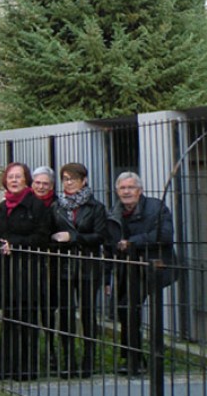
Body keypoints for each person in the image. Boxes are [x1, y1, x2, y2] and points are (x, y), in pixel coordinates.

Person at [109, 171, 175, 376]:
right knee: (125, 309)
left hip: (153, 266)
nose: (126, 192)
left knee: (136, 309)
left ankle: (143, 358)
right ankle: (133, 356)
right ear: (117, 191)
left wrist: (132, 242)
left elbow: (165, 235)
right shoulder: (116, 211)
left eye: (131, 187)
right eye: (122, 188)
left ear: (140, 190)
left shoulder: (156, 207)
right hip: (127, 267)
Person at [0, 162, 53, 380]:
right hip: (8, 269)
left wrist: (15, 244)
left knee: (27, 318)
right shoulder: (3, 207)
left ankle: (26, 369)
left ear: (26, 179)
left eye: (18, 177)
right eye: (10, 177)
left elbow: (42, 236)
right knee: (9, 317)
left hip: (28, 268)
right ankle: (5, 367)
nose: (14, 180)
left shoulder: (36, 206)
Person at [50, 162, 108, 378]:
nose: (69, 182)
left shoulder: (96, 207)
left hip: (87, 266)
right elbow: (50, 232)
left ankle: (89, 360)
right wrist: (58, 240)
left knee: (88, 313)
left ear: (84, 180)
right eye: (65, 178)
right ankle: (68, 360)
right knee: (65, 314)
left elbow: (100, 236)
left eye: (73, 178)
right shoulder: (57, 206)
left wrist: (73, 237)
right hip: (64, 267)